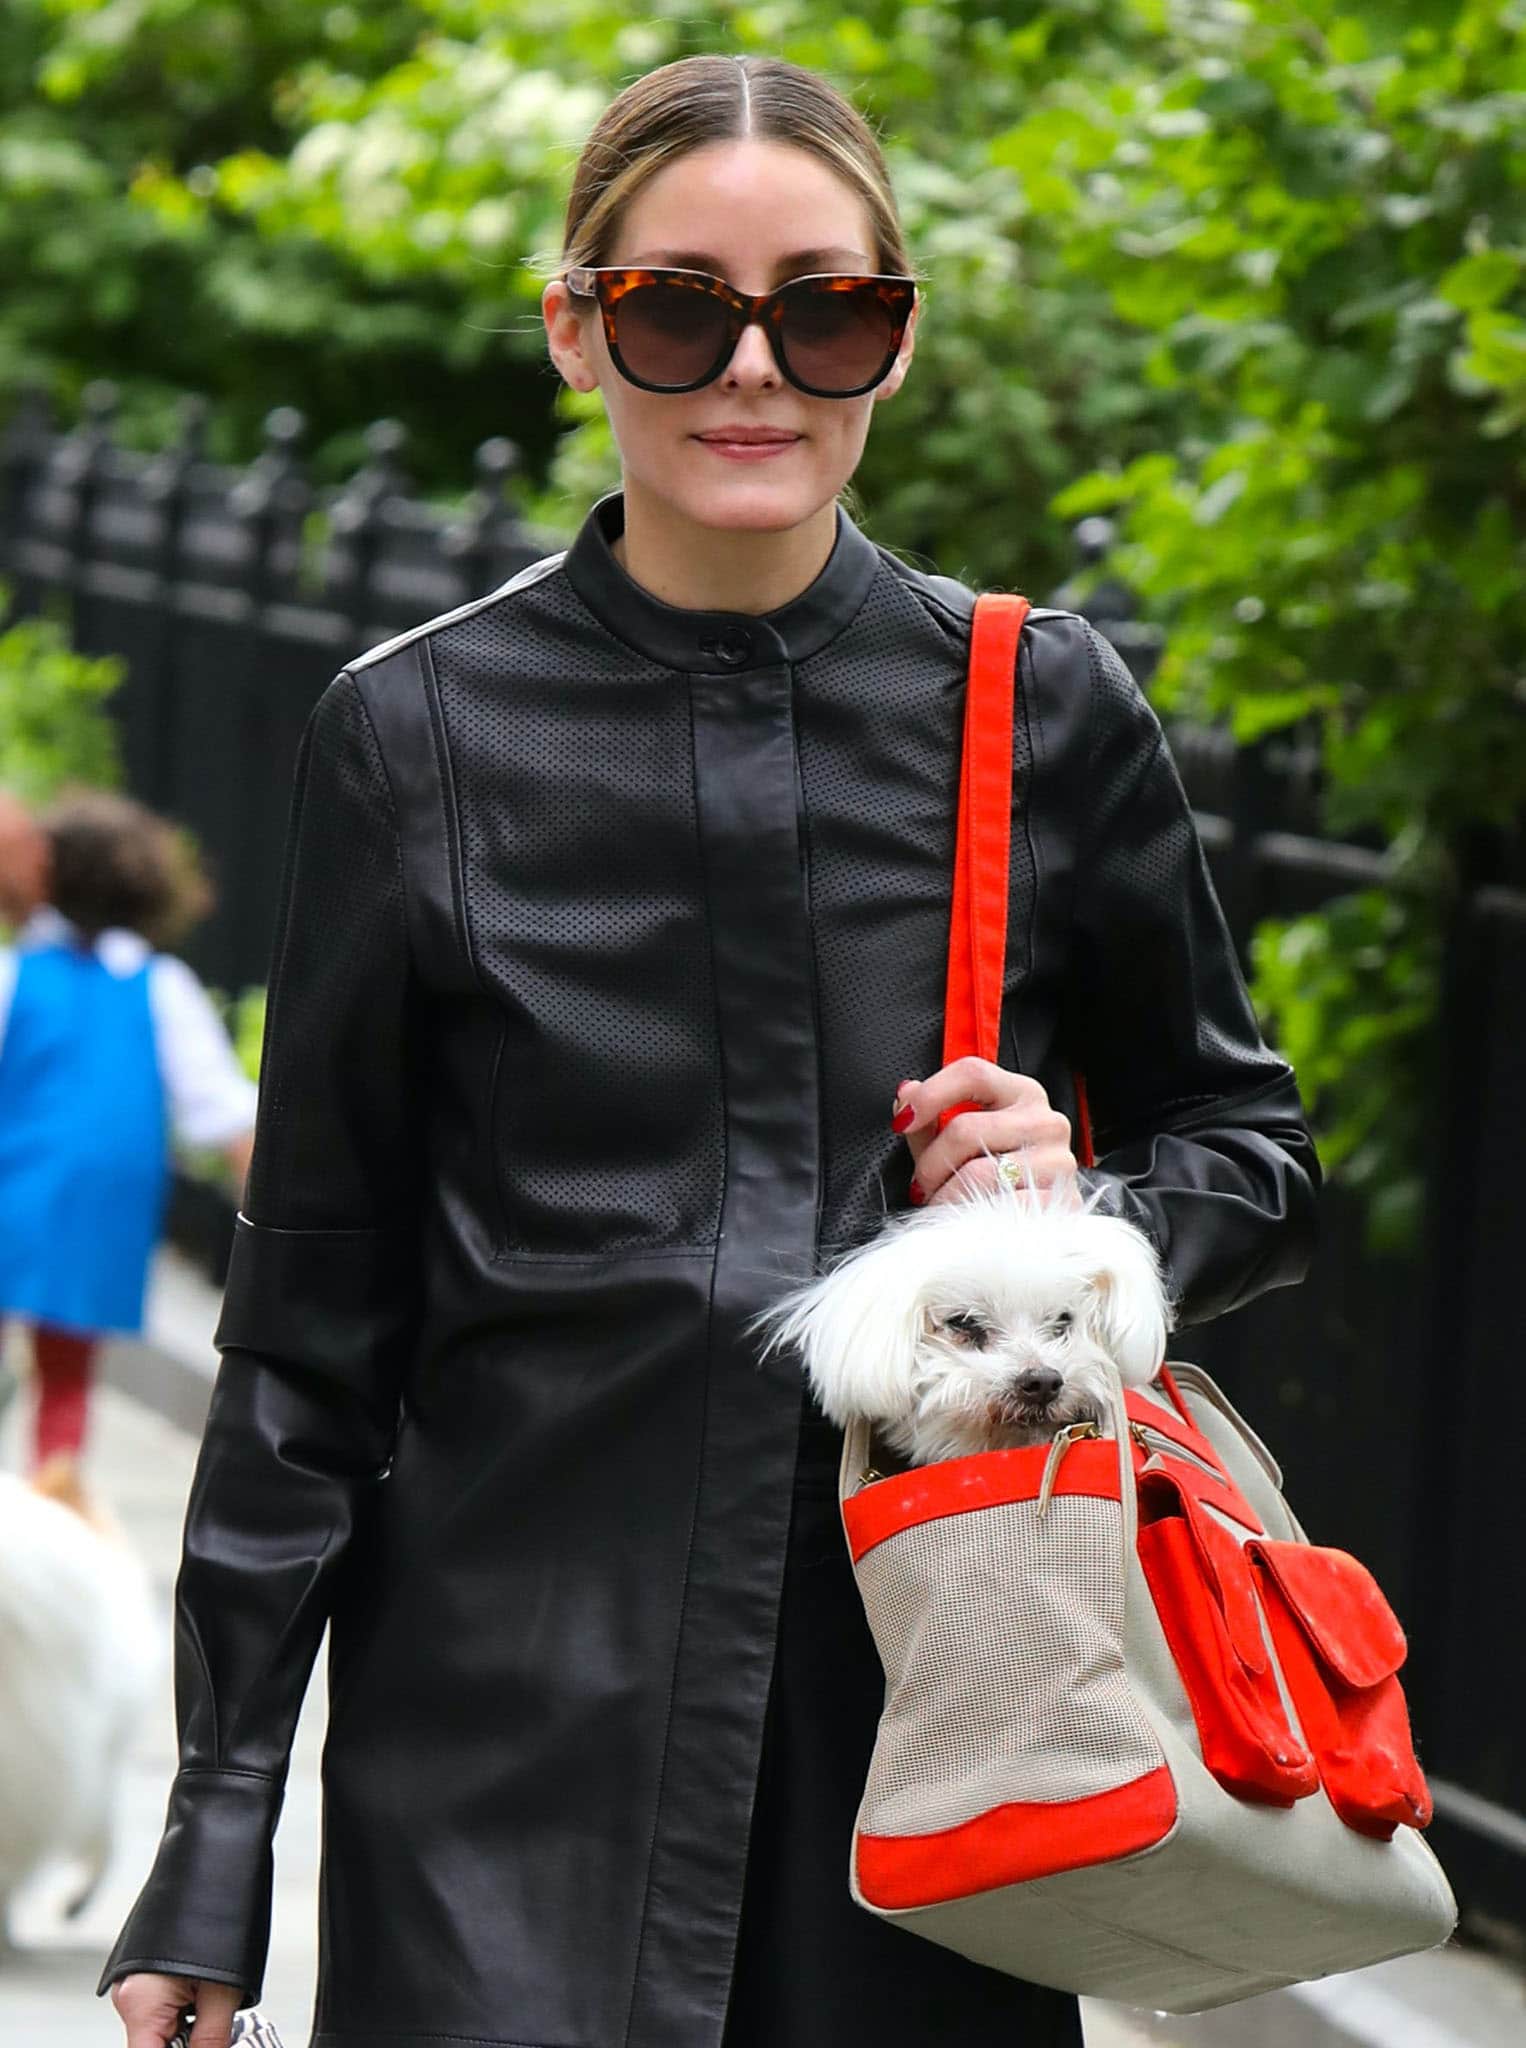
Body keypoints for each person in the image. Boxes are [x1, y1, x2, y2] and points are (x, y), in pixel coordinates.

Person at [100, 51, 1321, 2048]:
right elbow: (309, 1320)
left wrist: (1077, 1214)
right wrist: (216, 1832)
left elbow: (1249, 1148)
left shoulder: (1041, 707)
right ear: (581, 330)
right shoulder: (409, 734)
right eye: (681, 309)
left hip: (932, 1732)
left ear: (894, 345)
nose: (755, 372)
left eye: (826, 309)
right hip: (500, 1742)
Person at [0, 787, 256, 1472]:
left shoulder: (17, 976)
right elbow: (223, 1111)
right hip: (98, 1208)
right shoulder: (160, 984)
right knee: (66, 1381)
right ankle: (55, 1506)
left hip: (13, 1191)